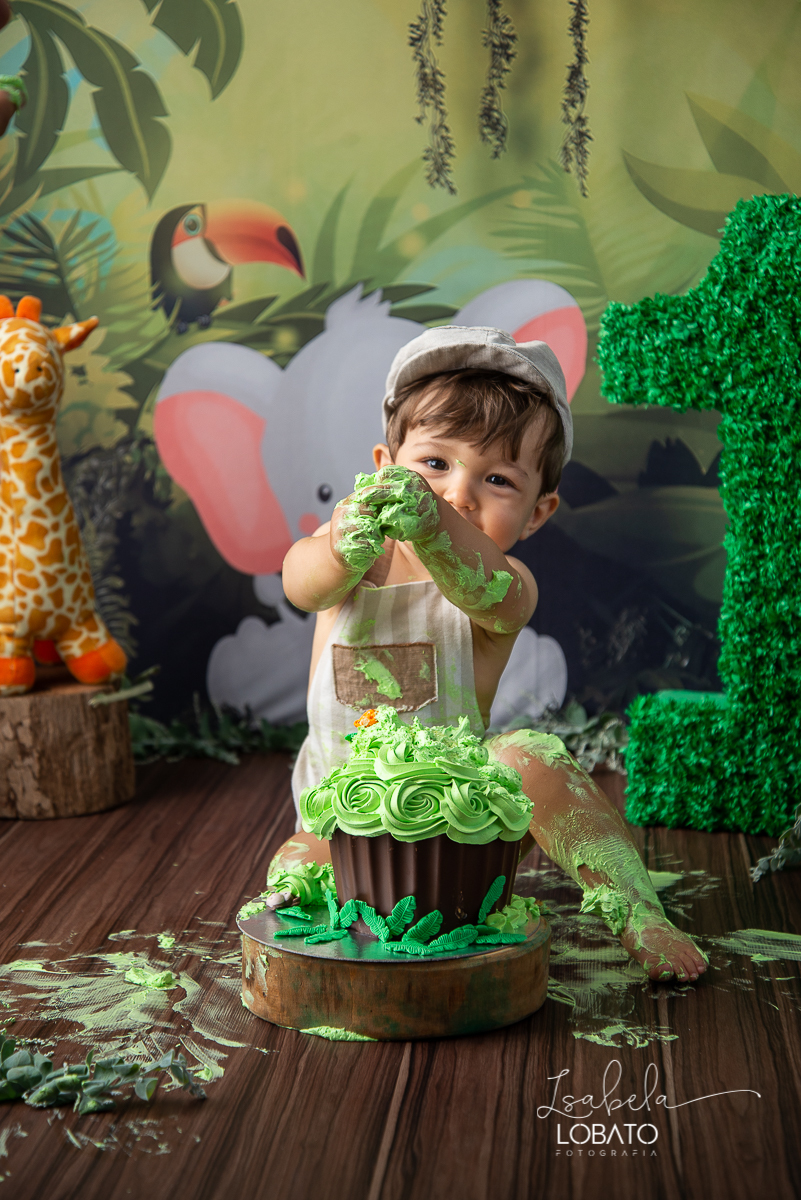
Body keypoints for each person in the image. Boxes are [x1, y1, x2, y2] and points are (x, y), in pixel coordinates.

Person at [282, 326, 707, 982]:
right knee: (295, 865)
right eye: (433, 465)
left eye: (497, 479)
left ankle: (634, 909)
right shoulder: (348, 560)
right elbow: (302, 581)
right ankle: (320, 932)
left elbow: (483, 585)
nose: (456, 495)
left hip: (457, 814)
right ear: (381, 466)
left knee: (529, 755)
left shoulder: (503, 585)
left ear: (538, 513)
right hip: (340, 812)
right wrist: (344, 540)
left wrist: (431, 526)